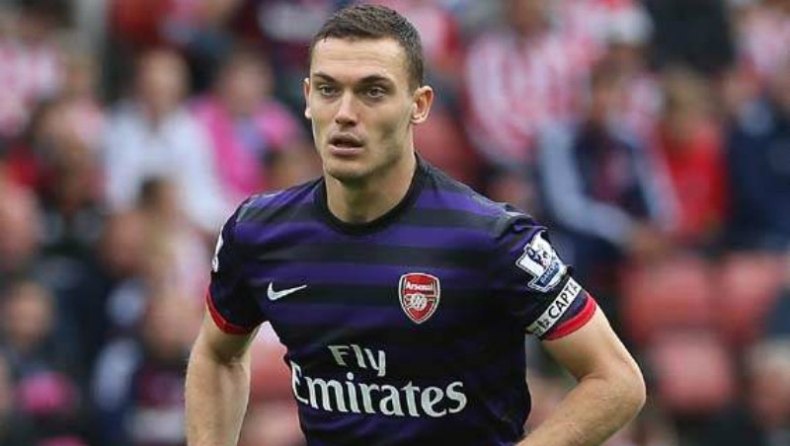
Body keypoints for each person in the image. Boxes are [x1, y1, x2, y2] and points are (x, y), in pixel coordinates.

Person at [185, 4, 645, 445]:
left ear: (419, 105)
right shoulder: (257, 233)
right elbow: (217, 356)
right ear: (307, 98)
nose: (345, 113)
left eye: (373, 91)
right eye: (328, 89)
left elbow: (616, 379)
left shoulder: (491, 238)